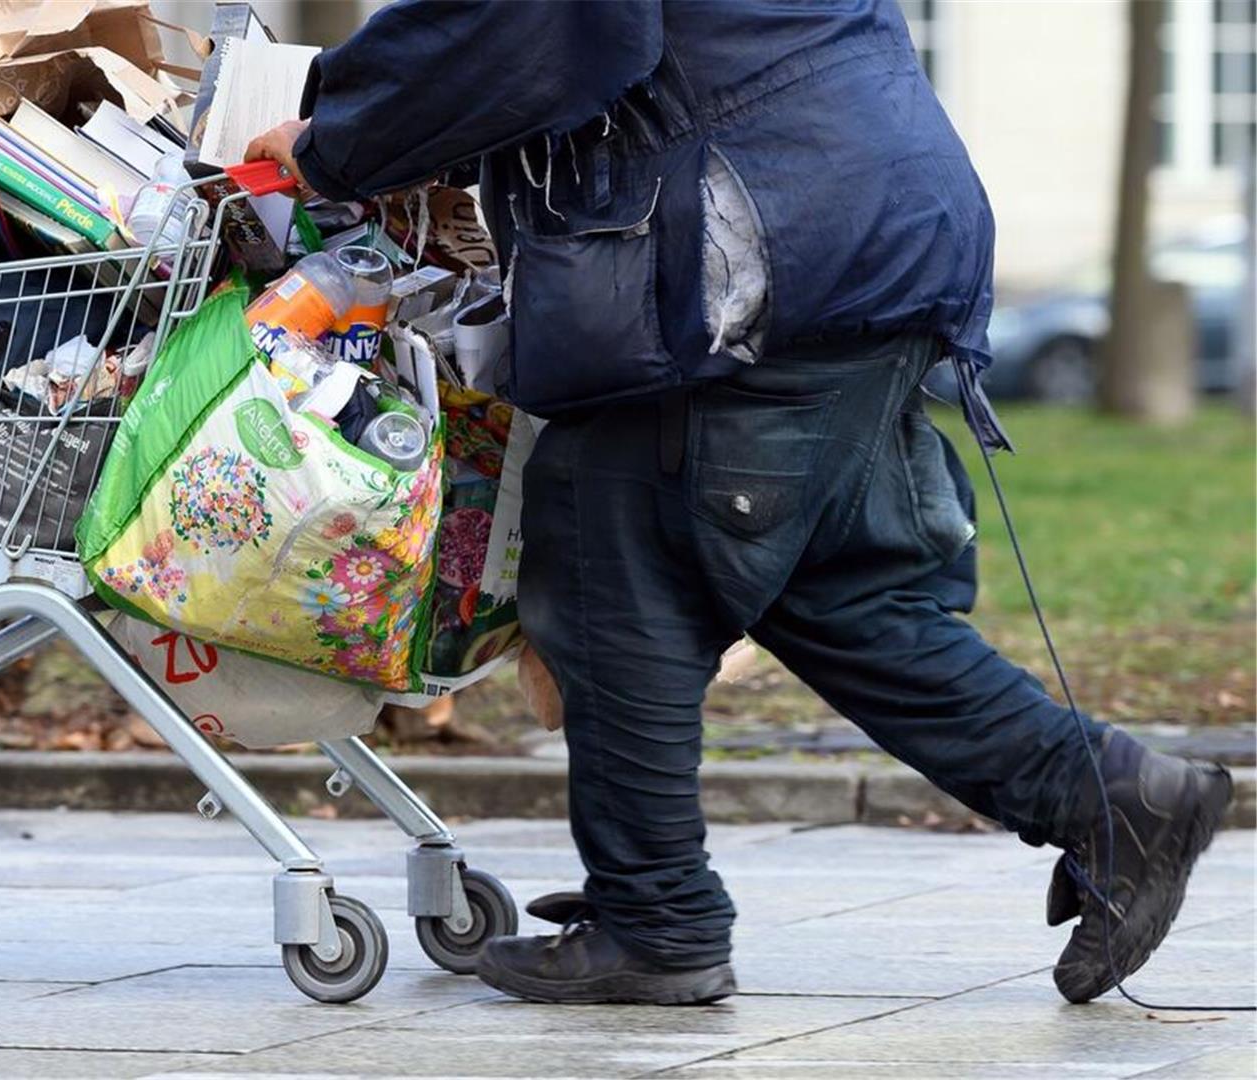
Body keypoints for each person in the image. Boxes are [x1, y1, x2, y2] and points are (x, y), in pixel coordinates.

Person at [246, 0, 1233, 1006]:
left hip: (755, 250)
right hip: (869, 219)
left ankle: (657, 922)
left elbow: (524, 24)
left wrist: (334, 145)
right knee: (837, 591)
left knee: (612, 550)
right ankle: (1117, 799)